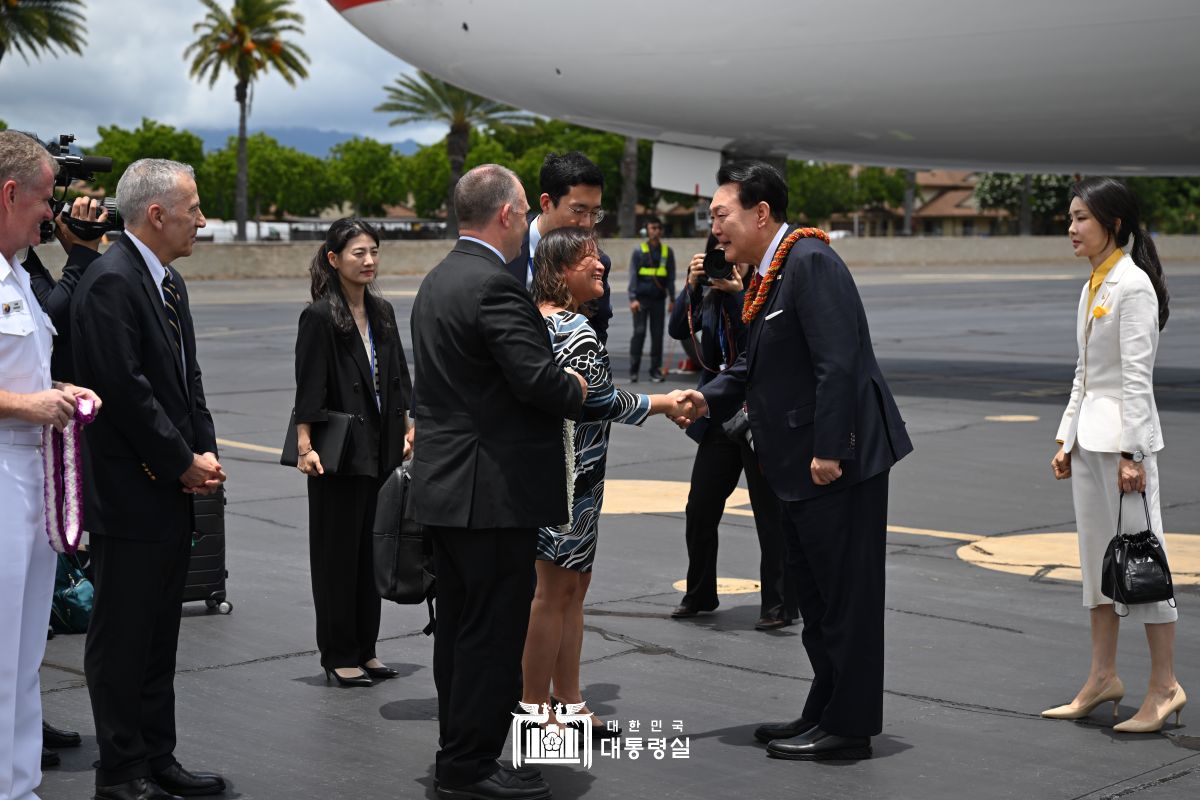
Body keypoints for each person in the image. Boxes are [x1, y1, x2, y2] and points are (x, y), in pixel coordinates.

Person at [676, 161, 912, 761]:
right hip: (802, 470)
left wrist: (830, 451)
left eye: (721, 216)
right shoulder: (768, 274)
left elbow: (840, 363)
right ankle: (823, 709)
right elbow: (754, 366)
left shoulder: (811, 263)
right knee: (817, 600)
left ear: (761, 213)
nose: (715, 230)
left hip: (836, 465)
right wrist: (707, 395)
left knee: (845, 600)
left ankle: (850, 727)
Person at [410, 164, 587, 800]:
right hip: (491, 493)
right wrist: (576, 386)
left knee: (459, 630)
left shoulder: (437, 280)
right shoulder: (494, 286)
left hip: (447, 487)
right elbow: (538, 381)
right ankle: (471, 765)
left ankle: (458, 751)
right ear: (508, 215)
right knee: (491, 634)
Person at [72, 159, 228, 800]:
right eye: (192, 207)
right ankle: (121, 769)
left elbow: (186, 384)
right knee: (123, 636)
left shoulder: (167, 282)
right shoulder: (112, 281)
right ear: (156, 214)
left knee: (160, 635)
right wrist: (179, 461)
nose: (201, 218)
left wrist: (206, 454)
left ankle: (157, 756)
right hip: (131, 491)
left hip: (170, 487)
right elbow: (125, 391)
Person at [521, 227, 690, 734]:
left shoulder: (535, 320)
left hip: (565, 471)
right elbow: (596, 400)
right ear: (558, 271)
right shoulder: (574, 327)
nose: (601, 266)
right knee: (555, 593)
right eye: (587, 258)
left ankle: (567, 701)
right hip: (571, 475)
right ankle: (537, 709)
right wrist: (660, 403)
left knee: (569, 589)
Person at [1043, 177, 1184, 733]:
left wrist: (1133, 453)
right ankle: (1103, 678)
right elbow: (1084, 372)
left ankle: (1165, 686)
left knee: (1142, 566)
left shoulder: (1134, 286)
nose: (1071, 228)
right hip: (1090, 445)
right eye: (1071, 217)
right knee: (1097, 571)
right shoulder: (1093, 286)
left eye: (1081, 218)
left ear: (1114, 224)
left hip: (1124, 451)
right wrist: (1065, 437)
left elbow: (1136, 380)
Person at [0, 129, 102, 800]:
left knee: (25, 654)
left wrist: (54, 397)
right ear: (9, 193)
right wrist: (27, 405)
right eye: (44, 199)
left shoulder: (16, 275)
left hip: (32, 473)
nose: (52, 213)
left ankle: (18, 783)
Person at [293, 217, 412, 687]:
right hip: (337, 454)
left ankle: (367, 649)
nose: (368, 261)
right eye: (358, 253)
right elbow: (309, 388)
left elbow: (399, 377)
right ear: (333, 259)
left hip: (381, 450)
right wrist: (304, 444)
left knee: (372, 554)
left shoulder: (382, 312)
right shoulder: (320, 316)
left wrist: (409, 425)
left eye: (374, 252)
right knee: (337, 557)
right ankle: (339, 653)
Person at [666, 236, 795, 630]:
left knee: (768, 512)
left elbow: (758, 348)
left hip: (756, 416)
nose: (727, 266)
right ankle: (700, 593)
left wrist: (739, 296)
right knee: (700, 507)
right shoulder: (708, 298)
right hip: (719, 418)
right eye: (719, 260)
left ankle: (779, 604)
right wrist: (690, 286)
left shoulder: (761, 289)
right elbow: (676, 330)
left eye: (732, 259)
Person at [504, 152, 614, 343]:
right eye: (578, 211)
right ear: (546, 203)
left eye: (595, 212)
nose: (587, 223)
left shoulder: (598, 263)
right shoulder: (503, 250)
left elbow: (598, 334)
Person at [627, 216, 675, 382]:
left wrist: (673, 299)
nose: (655, 231)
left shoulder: (667, 252)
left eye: (657, 228)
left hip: (658, 301)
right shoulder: (638, 251)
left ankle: (655, 370)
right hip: (640, 300)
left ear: (661, 231)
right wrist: (632, 298)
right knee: (639, 333)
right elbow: (633, 275)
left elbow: (670, 277)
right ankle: (634, 369)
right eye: (652, 228)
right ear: (646, 230)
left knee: (657, 335)